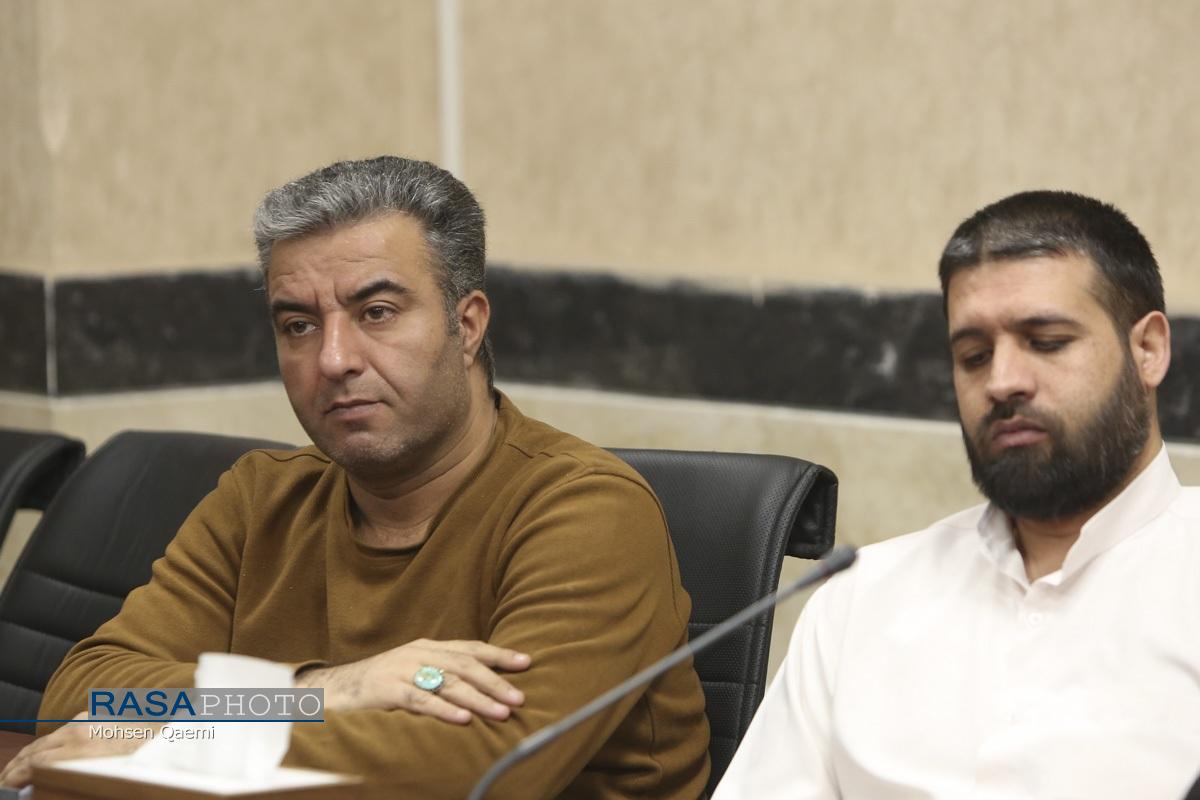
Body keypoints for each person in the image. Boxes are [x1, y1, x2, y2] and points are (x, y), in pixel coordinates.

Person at [0, 156, 710, 798]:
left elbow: (476, 770)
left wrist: (173, 737)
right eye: (298, 325)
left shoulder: (587, 511)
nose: (333, 359)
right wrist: (325, 691)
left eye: (376, 312)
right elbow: (85, 699)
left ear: (467, 325)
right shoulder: (259, 498)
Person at [714, 190, 1200, 799]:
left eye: (1047, 341)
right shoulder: (859, 600)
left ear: (1148, 350)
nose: (1002, 382)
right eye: (974, 356)